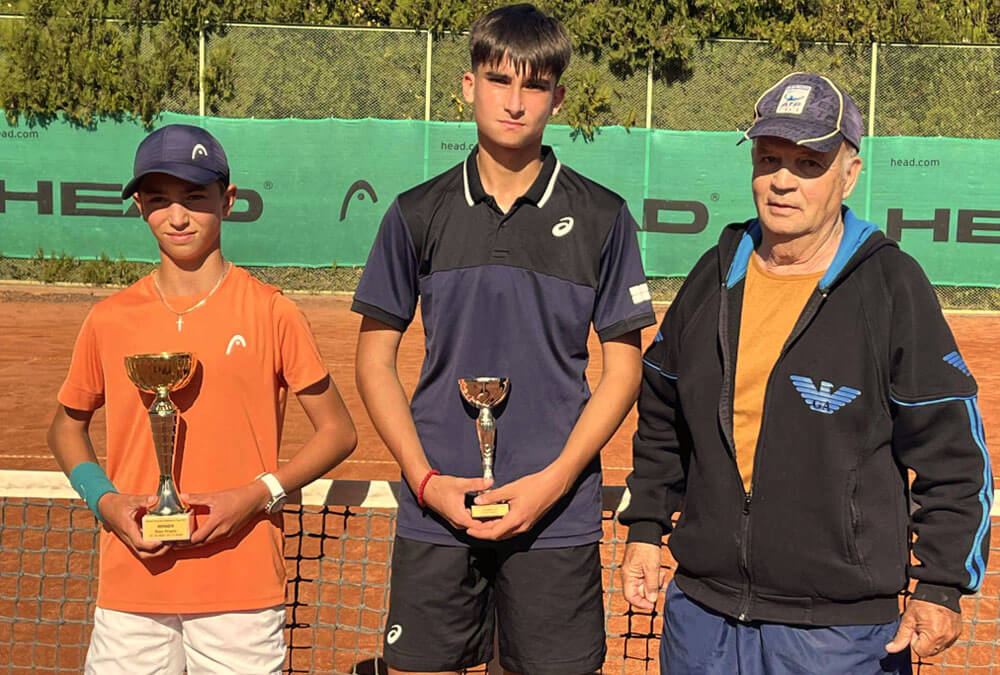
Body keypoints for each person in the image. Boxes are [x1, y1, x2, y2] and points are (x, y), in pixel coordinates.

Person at [619, 72, 992, 673]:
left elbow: (953, 454)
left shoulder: (891, 285)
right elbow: (662, 411)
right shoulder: (714, 274)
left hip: (839, 636)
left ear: (849, 173)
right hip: (702, 617)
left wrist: (942, 584)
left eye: (809, 163)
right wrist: (644, 525)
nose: (783, 180)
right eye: (769, 159)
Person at [352, 4, 656, 673]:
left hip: (556, 517)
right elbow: (373, 361)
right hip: (437, 512)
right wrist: (426, 481)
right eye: (498, 80)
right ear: (469, 86)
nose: (515, 102)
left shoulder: (603, 216)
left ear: (558, 98)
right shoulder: (415, 213)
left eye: (535, 86)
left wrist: (552, 482)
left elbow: (624, 370)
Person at [47, 123, 357, 674]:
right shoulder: (108, 319)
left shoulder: (272, 312)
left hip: (241, 589)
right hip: (132, 586)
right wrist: (106, 502)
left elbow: (338, 431)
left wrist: (256, 495)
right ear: (140, 207)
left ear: (227, 200)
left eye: (194, 197)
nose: (178, 216)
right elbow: (65, 427)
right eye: (159, 200)